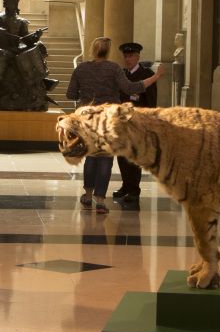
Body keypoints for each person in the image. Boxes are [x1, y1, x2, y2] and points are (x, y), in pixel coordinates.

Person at [65, 36, 164, 213]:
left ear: (93, 50)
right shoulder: (114, 69)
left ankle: (88, 195)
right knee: (105, 160)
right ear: (108, 51)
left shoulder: (81, 68)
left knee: (90, 157)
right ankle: (101, 200)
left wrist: (85, 95)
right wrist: (156, 76)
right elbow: (132, 89)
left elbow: (70, 94)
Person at [112, 41, 158, 201]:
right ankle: (125, 185)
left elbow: (151, 101)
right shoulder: (122, 74)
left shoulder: (146, 75)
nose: (128, 59)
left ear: (137, 57)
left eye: (131, 56)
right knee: (122, 156)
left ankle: (134, 189)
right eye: (126, 56)